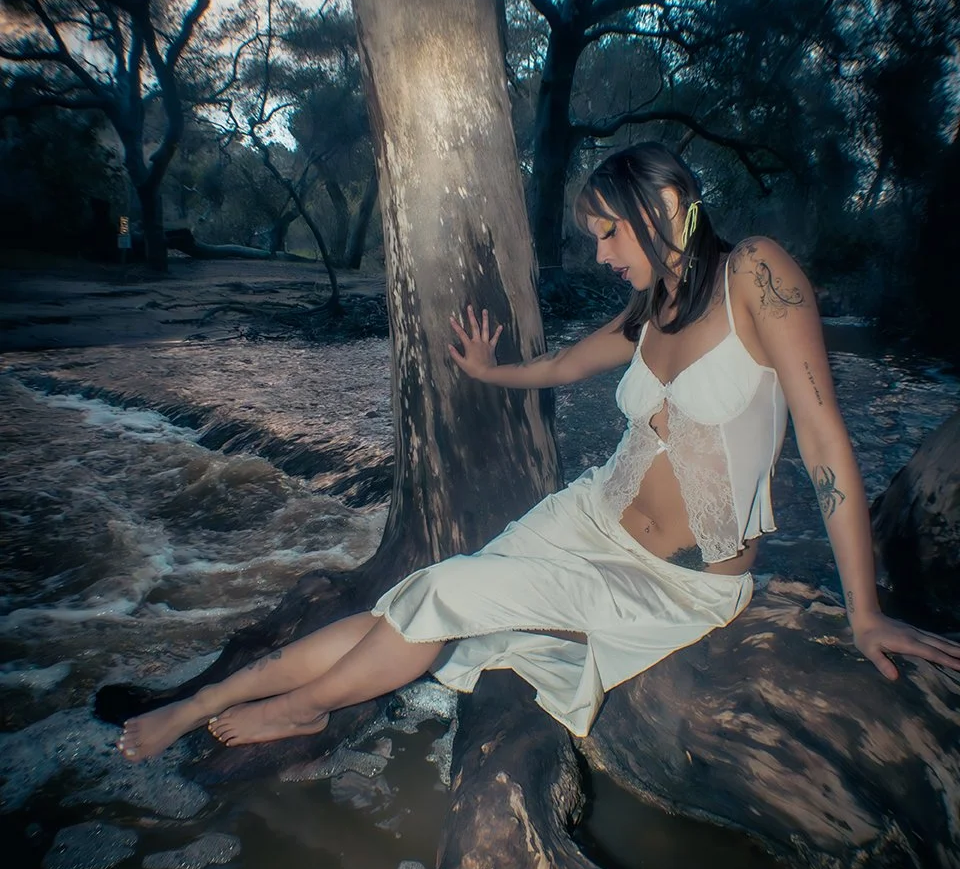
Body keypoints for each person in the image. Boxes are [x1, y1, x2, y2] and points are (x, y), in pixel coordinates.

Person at [116, 143, 960, 761]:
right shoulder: (653, 305)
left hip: (677, 582)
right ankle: (207, 699)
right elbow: (565, 365)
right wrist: (491, 371)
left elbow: (823, 437)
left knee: (447, 591)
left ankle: (299, 707)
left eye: (609, 234)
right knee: (416, 597)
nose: (600, 254)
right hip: (588, 518)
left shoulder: (756, 274)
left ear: (666, 207)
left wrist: (864, 610)